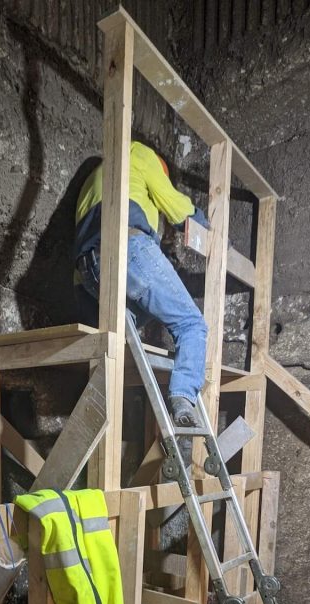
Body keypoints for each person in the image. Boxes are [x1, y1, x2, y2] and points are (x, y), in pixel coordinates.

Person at [74, 142, 210, 426]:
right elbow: (177, 209)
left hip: (89, 270)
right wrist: (208, 230)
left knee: (132, 319)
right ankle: (184, 395)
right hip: (130, 247)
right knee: (191, 324)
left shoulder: (92, 181)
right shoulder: (138, 153)